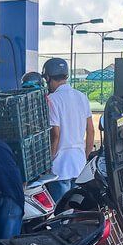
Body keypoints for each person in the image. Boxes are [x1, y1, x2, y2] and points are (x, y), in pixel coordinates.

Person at [43, 57, 94, 202]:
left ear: (48, 78)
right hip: (79, 164)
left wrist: (49, 162)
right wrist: (84, 157)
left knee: (60, 214)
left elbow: (56, 135)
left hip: (60, 166)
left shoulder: (52, 99)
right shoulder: (82, 97)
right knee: (74, 211)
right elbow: (91, 131)